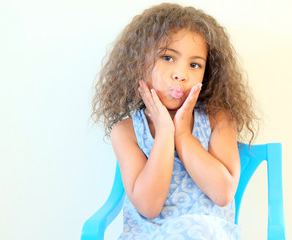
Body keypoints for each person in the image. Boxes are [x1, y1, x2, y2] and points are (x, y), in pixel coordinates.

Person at [92, 3, 258, 239]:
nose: (181, 73)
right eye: (168, 57)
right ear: (138, 64)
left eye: (195, 64)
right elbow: (149, 207)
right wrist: (164, 133)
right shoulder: (127, 131)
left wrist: (182, 135)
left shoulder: (217, 119)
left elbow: (222, 194)